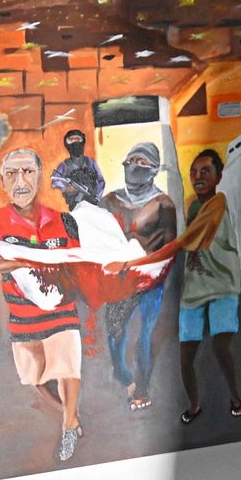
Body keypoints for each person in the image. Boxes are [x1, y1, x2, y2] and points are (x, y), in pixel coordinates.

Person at [106, 149, 241, 423]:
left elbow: (181, 243)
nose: (198, 177)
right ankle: (194, 406)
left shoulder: (217, 203)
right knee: (185, 355)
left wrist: (134, 263)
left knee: (220, 347)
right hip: (194, 288)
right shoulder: (192, 206)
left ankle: (235, 397)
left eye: (206, 171)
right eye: (194, 172)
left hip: (222, 287)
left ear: (219, 176)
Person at [0, 147, 85, 463]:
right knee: (35, 379)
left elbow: (76, 263)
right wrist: (20, 259)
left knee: (67, 367)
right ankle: (71, 413)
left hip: (61, 309)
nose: (20, 180)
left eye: (27, 172)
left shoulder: (64, 221)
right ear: (2, 181)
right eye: (12, 174)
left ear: (39, 176)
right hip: (22, 317)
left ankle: (68, 425)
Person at [101, 142, 177, 411]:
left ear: (154, 170)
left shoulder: (163, 204)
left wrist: (152, 273)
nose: (135, 166)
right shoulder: (109, 201)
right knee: (114, 335)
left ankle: (141, 388)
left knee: (142, 335)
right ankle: (124, 377)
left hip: (148, 283)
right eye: (131, 160)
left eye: (143, 163)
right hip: (116, 284)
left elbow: (170, 249)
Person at [49, 127, 106, 210]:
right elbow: (55, 180)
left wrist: (97, 196)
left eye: (77, 139)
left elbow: (101, 181)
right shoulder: (64, 165)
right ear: (67, 144)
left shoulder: (91, 162)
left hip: (92, 204)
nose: (75, 142)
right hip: (75, 206)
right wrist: (65, 188)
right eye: (71, 140)